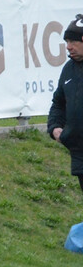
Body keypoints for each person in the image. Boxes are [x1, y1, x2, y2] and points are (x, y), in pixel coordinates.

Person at [48, 14, 83, 195]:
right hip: (79, 155)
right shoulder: (68, 69)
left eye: (73, 41)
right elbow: (58, 103)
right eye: (67, 41)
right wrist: (54, 127)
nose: (68, 46)